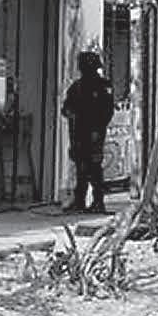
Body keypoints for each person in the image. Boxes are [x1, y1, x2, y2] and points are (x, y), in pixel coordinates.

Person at [61, 50, 116, 214]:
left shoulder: (103, 86)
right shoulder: (77, 87)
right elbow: (66, 108)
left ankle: (98, 201)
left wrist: (97, 128)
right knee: (81, 167)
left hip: (94, 133)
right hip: (79, 132)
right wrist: (70, 113)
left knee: (94, 167)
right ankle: (80, 201)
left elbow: (107, 111)